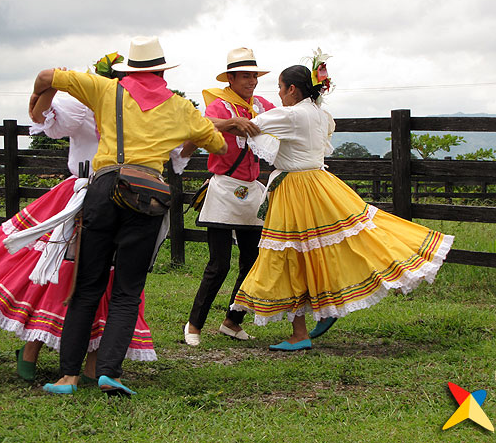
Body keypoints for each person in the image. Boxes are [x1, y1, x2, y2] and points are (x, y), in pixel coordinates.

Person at [0, 53, 157, 383]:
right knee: (61, 269)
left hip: (127, 197)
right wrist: (50, 87)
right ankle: (33, 346)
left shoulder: (147, 111)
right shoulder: (86, 107)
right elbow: (41, 116)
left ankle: (95, 357)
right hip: (83, 193)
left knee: (112, 274)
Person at [33, 36, 227, 395]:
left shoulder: (106, 89)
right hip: (148, 196)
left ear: (129, 69)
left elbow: (47, 76)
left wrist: (35, 99)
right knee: (127, 290)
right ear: (162, 70)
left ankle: (68, 377)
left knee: (87, 285)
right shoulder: (181, 107)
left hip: (105, 188)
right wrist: (186, 136)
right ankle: (110, 372)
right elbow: (217, 143)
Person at [231, 53, 454, 351]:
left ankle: (304, 330)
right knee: (329, 247)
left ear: (293, 90)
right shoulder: (321, 115)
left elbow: (249, 127)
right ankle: (323, 311)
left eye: (281, 88)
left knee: (292, 255)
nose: (280, 95)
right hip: (320, 184)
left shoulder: (292, 114)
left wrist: (213, 123)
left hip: (296, 190)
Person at [182, 47, 275, 347]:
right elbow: (202, 126)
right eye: (246, 76)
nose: (252, 81)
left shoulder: (262, 105)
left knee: (251, 261)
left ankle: (233, 321)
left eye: (255, 76)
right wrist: (233, 124)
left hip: (252, 190)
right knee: (218, 264)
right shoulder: (220, 106)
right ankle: (194, 325)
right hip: (223, 189)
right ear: (231, 78)